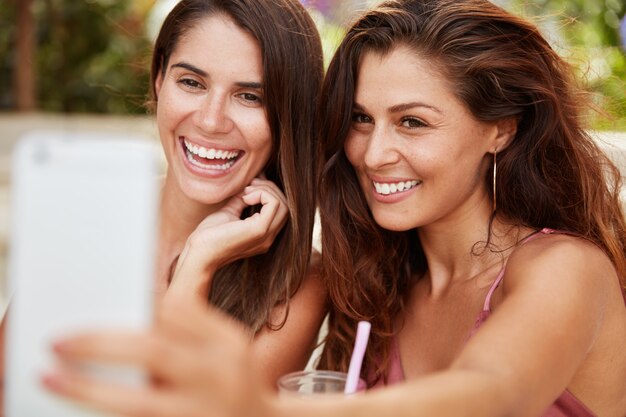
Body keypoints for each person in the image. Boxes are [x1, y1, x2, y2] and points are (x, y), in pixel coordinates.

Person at [41, 0, 626, 416]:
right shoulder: (380, 288)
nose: (373, 153)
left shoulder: (564, 268)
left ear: (501, 129)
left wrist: (264, 409)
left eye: (413, 122)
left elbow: (494, 392)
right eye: (360, 119)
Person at [0, 0, 327, 396]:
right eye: (191, 83)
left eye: (250, 97)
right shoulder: (84, 217)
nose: (210, 120)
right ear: (159, 80)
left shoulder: (301, 281)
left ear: (290, 116)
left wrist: (197, 263)